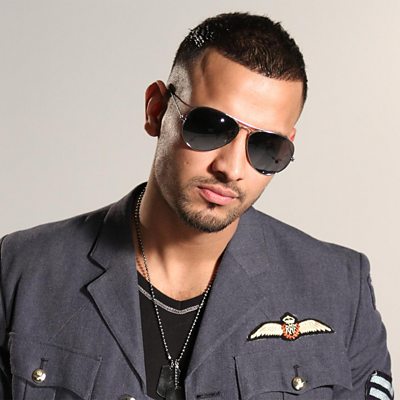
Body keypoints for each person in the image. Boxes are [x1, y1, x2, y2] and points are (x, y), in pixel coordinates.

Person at [0, 12, 393, 400]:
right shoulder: (21, 270)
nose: (231, 169)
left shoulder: (340, 289)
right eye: (210, 127)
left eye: (266, 146)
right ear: (156, 110)